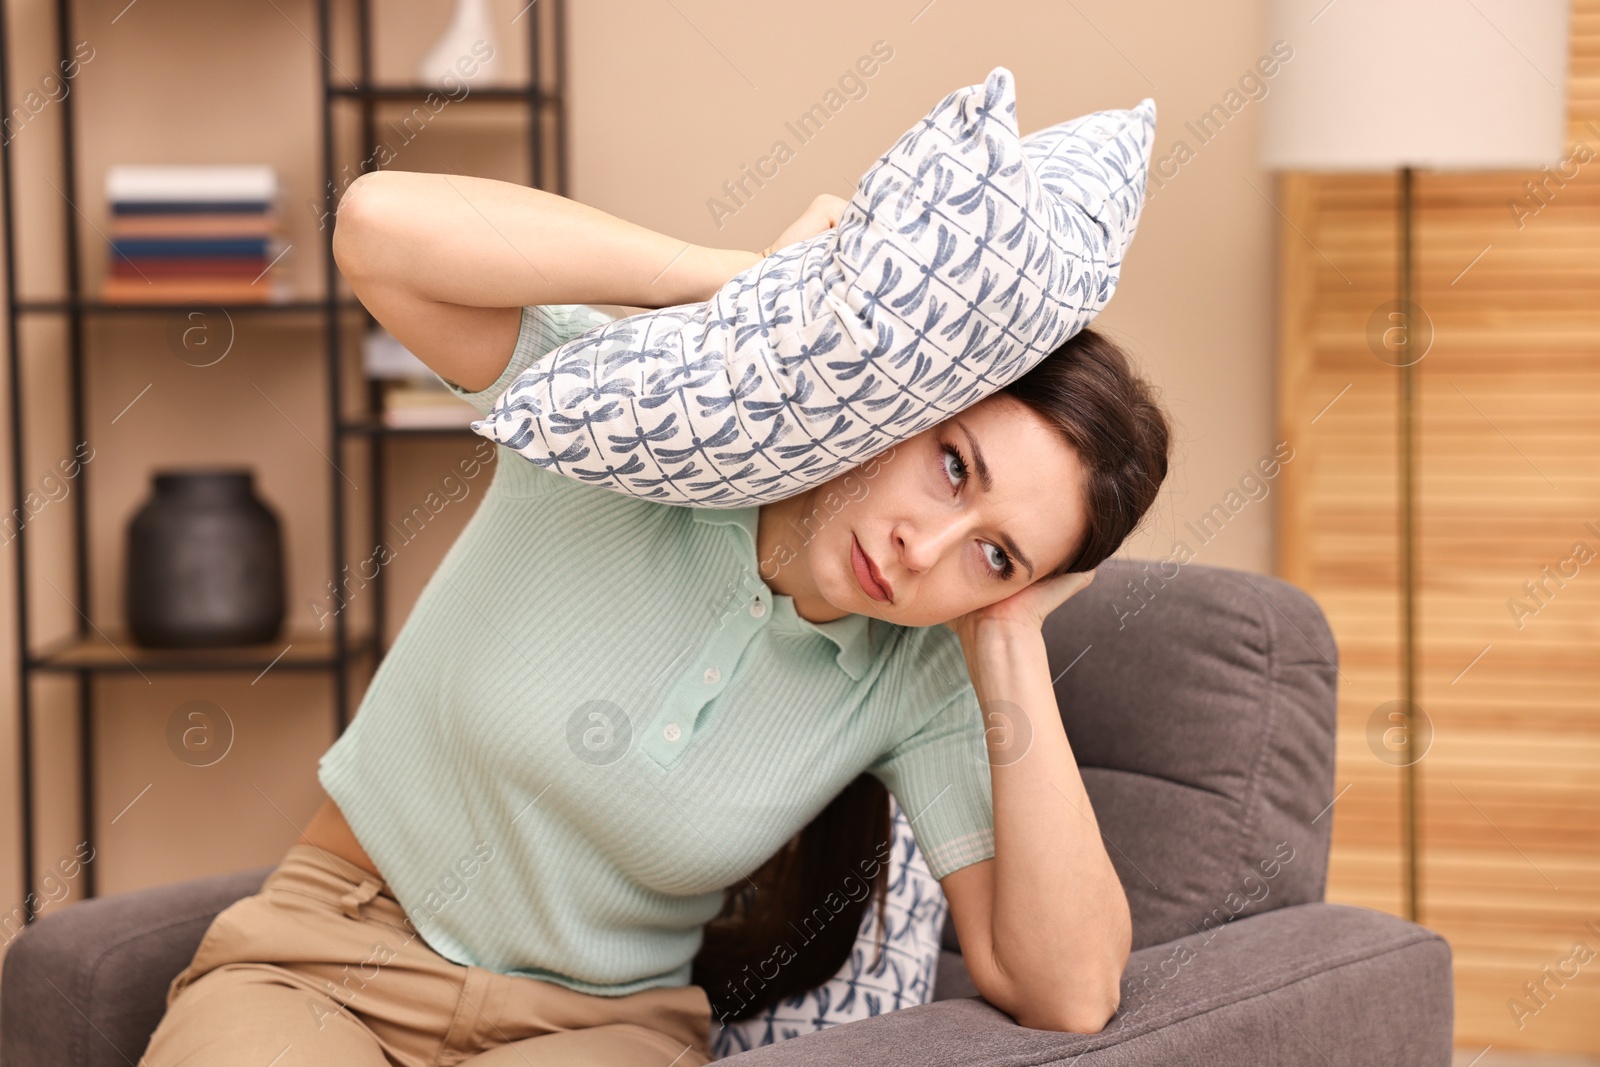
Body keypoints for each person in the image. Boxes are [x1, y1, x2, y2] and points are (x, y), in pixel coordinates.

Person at [140, 175, 1172, 1067]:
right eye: (953, 467)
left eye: (994, 553)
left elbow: (1070, 991)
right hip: (330, 956)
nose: (924, 547)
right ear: (899, 394)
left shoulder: (916, 673)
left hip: (599, 1031)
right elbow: (377, 228)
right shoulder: (636, 432)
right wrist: (736, 285)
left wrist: (1006, 633)